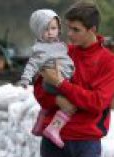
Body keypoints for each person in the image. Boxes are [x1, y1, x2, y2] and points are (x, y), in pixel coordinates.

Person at [34, 0, 114, 157]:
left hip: (87, 143)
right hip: (53, 143)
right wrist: (58, 101)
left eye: (76, 30)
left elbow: (98, 102)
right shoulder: (59, 53)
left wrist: (61, 84)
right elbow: (40, 91)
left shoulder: (110, 62)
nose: (70, 34)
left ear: (92, 29)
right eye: (68, 28)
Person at [18, 9, 76, 146]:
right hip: (52, 81)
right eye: (45, 29)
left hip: (59, 78)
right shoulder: (41, 49)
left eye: (53, 28)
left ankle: (41, 123)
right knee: (71, 105)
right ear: (38, 31)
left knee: (55, 105)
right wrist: (26, 78)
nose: (50, 32)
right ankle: (54, 129)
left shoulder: (58, 45)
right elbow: (32, 64)